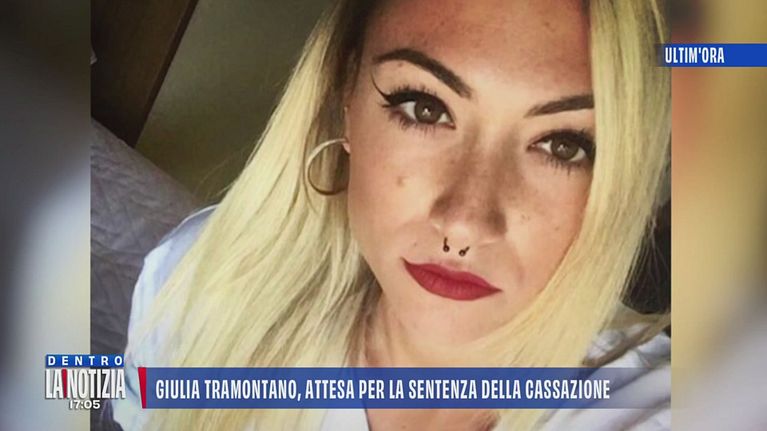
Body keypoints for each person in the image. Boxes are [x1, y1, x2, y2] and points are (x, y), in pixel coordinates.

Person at [113, 0, 671, 429]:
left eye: (562, 146)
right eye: (424, 108)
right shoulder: (200, 285)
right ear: (344, 102)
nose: (465, 223)